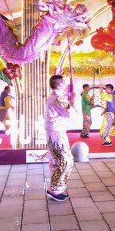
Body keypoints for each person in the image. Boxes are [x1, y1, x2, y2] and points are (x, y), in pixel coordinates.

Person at [44, 74, 75, 202]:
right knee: (65, 161)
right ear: (59, 84)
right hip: (56, 133)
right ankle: (55, 189)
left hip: (55, 132)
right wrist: (73, 101)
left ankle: (56, 188)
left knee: (59, 161)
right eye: (63, 83)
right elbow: (70, 113)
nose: (65, 85)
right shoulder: (57, 98)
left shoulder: (54, 97)